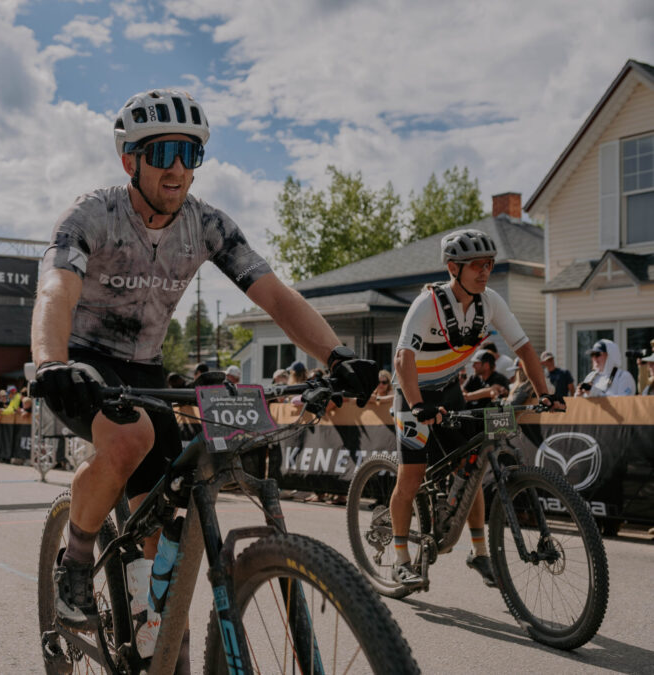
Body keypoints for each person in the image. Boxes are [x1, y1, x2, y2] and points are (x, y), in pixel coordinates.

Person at [31, 88, 378, 652]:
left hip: (144, 369)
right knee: (129, 441)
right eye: (162, 152)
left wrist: (336, 357)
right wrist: (49, 362)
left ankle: (146, 605)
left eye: (189, 155)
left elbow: (277, 297)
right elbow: (55, 291)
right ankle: (74, 557)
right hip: (79, 362)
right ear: (130, 161)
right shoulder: (91, 214)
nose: (176, 169)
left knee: (172, 488)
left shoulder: (207, 225)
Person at [390, 229, 559, 588]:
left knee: (474, 466)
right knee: (412, 477)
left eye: (490, 264)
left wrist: (545, 393)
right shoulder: (428, 304)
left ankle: (480, 554)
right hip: (413, 393)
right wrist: (419, 405)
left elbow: (525, 348)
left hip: (450, 391)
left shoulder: (491, 302)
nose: (485, 271)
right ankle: (400, 556)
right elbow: (403, 357)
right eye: (477, 266)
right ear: (453, 268)